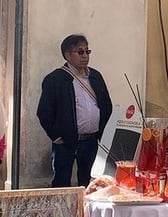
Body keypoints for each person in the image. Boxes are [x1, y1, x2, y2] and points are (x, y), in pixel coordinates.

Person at [37, 34, 112, 187]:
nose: (85, 56)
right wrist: (56, 136)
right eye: (80, 52)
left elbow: (106, 105)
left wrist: (103, 134)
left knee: (89, 183)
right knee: (61, 184)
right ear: (67, 55)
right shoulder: (55, 79)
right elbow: (44, 112)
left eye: (87, 51)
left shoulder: (95, 76)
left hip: (91, 141)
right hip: (65, 142)